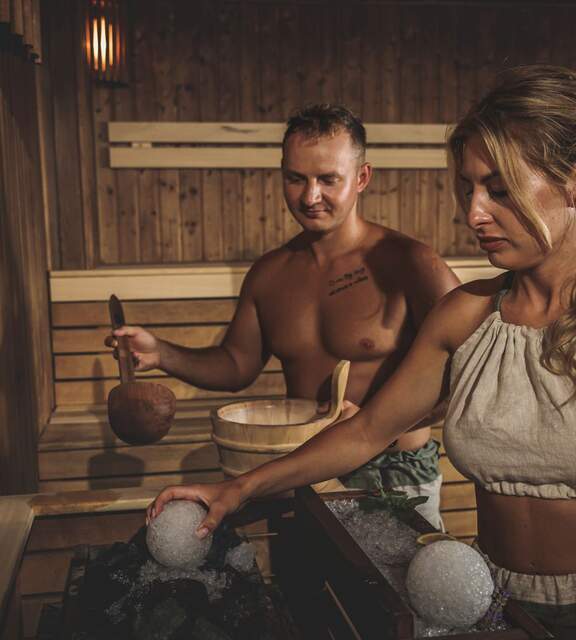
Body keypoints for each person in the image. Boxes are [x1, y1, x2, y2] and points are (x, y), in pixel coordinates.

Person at [147, 66, 576, 637]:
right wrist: (239, 489)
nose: (473, 213)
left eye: (498, 190)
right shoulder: (468, 314)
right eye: (468, 188)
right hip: (490, 598)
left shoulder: (410, 263)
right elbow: (368, 431)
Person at [108, 105, 459, 529]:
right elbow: (236, 365)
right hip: (301, 465)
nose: (310, 197)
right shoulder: (270, 275)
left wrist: (381, 423)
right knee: (301, 572)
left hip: (392, 471)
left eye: (328, 179)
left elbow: (470, 371)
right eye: (296, 179)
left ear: (362, 177)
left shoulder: (410, 263)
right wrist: (161, 353)